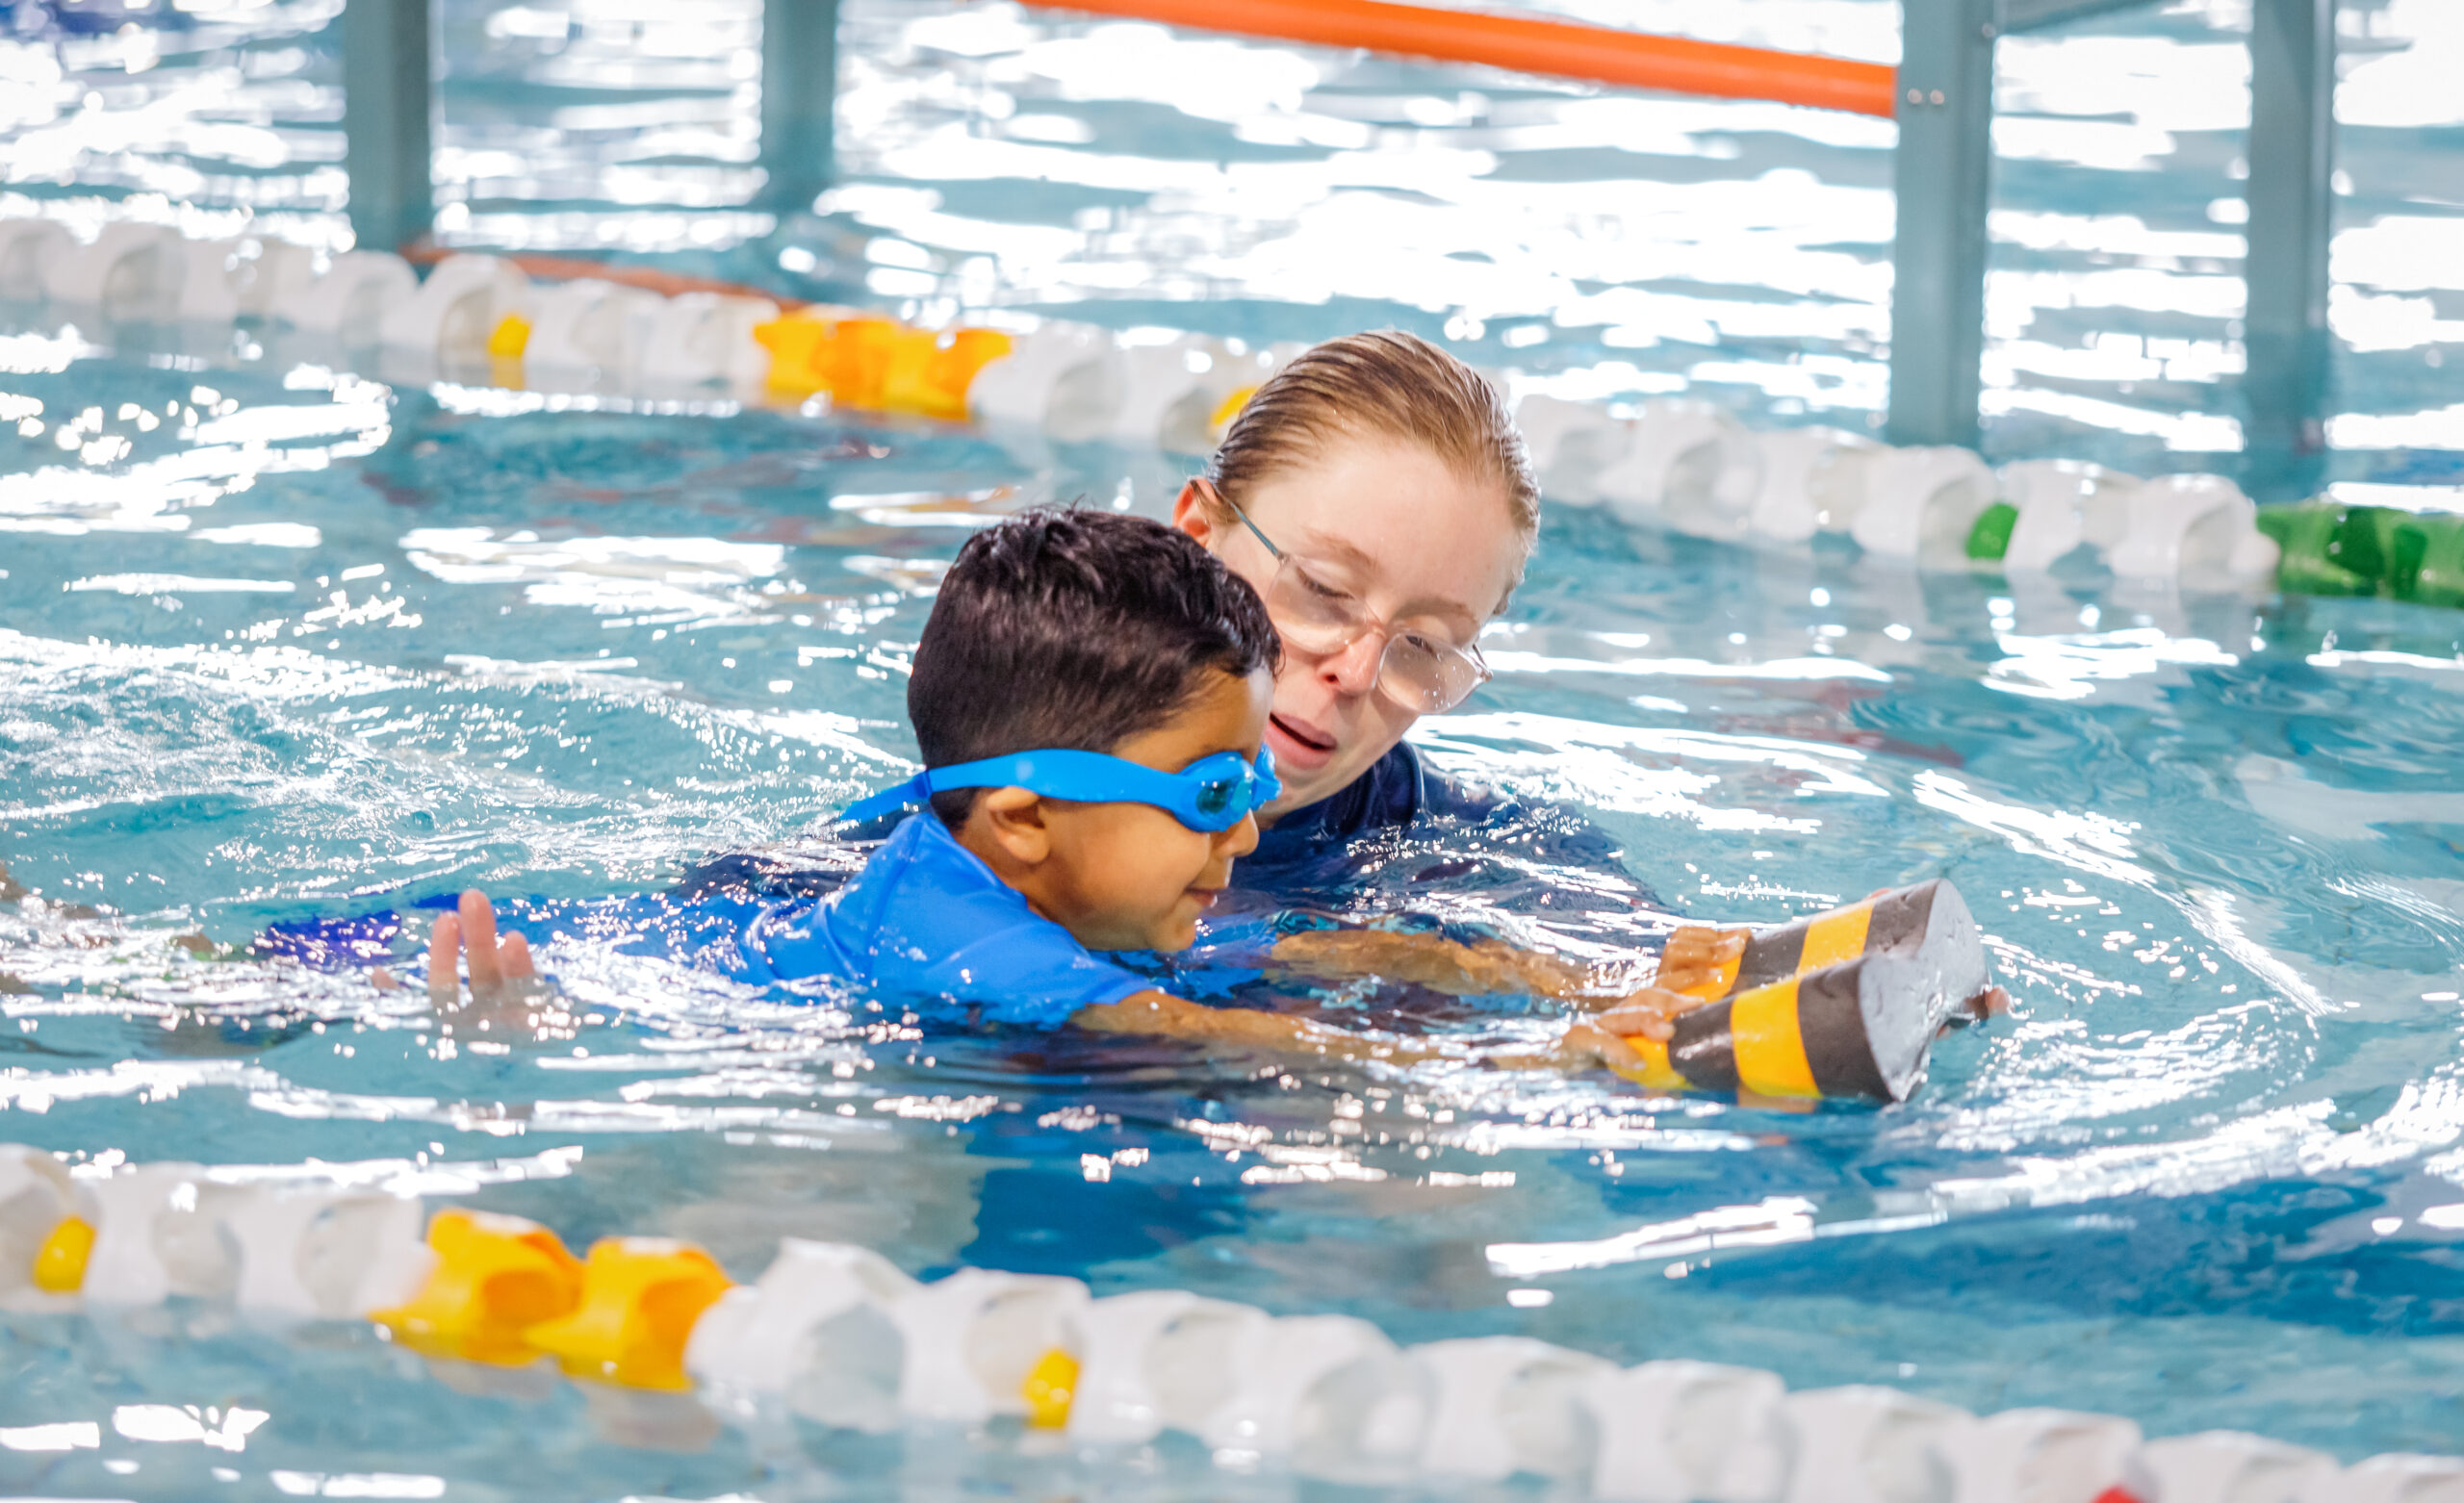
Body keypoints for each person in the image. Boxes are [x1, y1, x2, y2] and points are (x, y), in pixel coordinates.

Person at [419, 509, 1732, 1066]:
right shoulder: (952, 929)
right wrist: (1548, 1061)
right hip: (533, 968)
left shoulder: (1038, 871)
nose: (1240, 830)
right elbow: (1220, 1036)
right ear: (1028, 816)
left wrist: (1564, 976)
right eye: (1209, 795)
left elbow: (1302, 946)